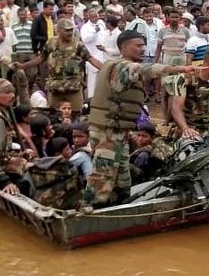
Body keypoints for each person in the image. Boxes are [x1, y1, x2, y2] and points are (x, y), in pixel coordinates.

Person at [83, 30, 197, 206]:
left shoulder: (120, 66)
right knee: (102, 178)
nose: (143, 49)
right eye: (138, 45)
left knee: (122, 180)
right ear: (123, 47)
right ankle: (89, 212)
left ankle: (119, 207)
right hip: (108, 132)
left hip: (118, 132)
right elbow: (148, 69)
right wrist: (181, 68)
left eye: (144, 45)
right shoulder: (123, 66)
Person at [19, 19, 102, 118]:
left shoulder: (78, 44)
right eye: (67, 30)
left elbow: (91, 59)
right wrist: (23, 66)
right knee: (53, 113)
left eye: (71, 30)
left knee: (76, 113)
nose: (70, 33)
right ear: (59, 30)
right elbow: (41, 58)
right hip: (55, 86)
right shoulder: (51, 43)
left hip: (73, 85)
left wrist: (106, 69)